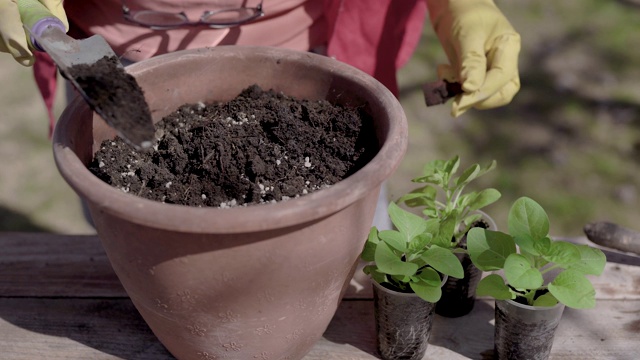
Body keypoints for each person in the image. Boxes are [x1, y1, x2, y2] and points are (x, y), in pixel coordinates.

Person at [0, 0, 520, 229]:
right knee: (123, 223)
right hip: (116, 70)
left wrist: (462, 3)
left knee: (353, 236)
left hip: (311, 66)